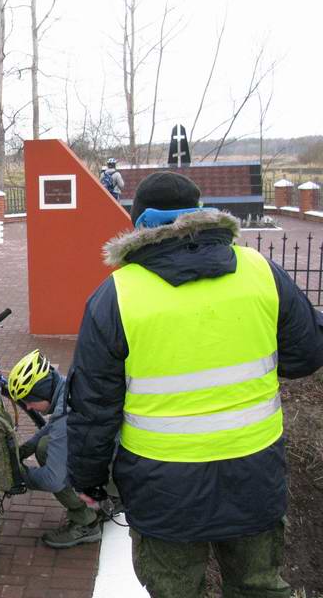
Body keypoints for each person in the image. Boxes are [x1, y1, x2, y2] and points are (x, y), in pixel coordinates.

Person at [66, 171, 323, 597]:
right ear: (202, 215)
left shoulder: (116, 295)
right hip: (254, 473)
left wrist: (89, 480)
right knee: (258, 587)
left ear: (138, 224)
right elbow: (308, 353)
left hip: (163, 487)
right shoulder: (260, 271)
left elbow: (93, 409)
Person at [5, 350, 103, 549]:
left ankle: (87, 524)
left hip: (114, 470)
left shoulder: (66, 411)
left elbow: (53, 479)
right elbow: (55, 426)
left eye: (30, 401)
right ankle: (106, 500)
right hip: (115, 457)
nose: (29, 408)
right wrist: (26, 448)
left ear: (43, 391)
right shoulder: (67, 388)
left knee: (46, 449)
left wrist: (17, 475)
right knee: (43, 445)